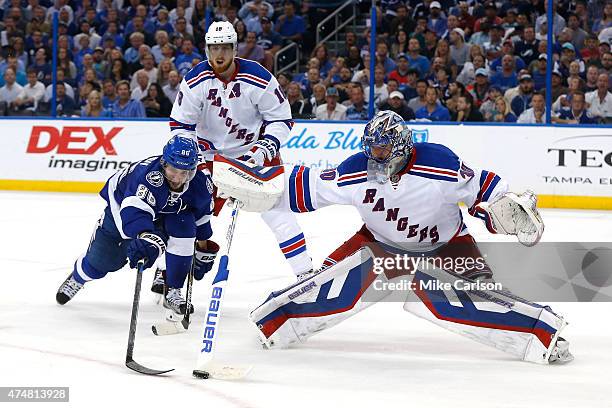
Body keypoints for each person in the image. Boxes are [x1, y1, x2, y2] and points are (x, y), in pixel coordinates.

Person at [217, 110, 573, 365]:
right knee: (319, 283)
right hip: (377, 244)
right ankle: (277, 324)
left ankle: (539, 331)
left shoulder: (439, 164)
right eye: (371, 148)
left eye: (382, 150)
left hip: (446, 247)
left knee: (484, 298)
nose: (375, 156)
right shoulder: (356, 170)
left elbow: (484, 190)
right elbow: (305, 187)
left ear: (401, 146)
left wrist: (502, 211)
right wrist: (259, 186)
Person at [168, 21, 314, 281]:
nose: (219, 55)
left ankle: (306, 274)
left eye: (225, 48)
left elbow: (281, 119)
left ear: (235, 49)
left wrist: (265, 147)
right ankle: (167, 270)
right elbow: (180, 125)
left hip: (254, 156)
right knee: (184, 211)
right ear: (206, 50)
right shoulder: (194, 81)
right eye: (214, 49)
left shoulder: (257, 77)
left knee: (278, 212)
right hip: (210, 157)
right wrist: (197, 161)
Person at [56, 137, 219, 316]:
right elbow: (134, 213)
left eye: (184, 172)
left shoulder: (201, 182)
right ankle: (79, 277)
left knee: (183, 228)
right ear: (164, 163)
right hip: (122, 208)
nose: (178, 178)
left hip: (167, 212)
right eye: (173, 170)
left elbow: (201, 215)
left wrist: (202, 250)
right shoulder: (147, 177)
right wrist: (145, 236)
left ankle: (173, 288)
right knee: (102, 262)